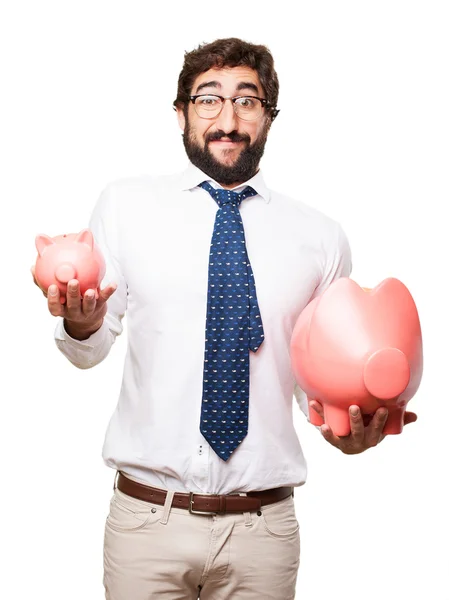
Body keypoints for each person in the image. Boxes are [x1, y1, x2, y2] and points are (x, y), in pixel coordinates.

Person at [32, 37, 417, 600]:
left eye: (248, 100)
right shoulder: (124, 206)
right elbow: (91, 346)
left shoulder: (321, 238)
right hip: (146, 524)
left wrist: (347, 432)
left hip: (263, 532)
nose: (228, 119)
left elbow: (322, 376)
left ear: (269, 117)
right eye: (208, 99)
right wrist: (81, 322)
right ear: (182, 113)